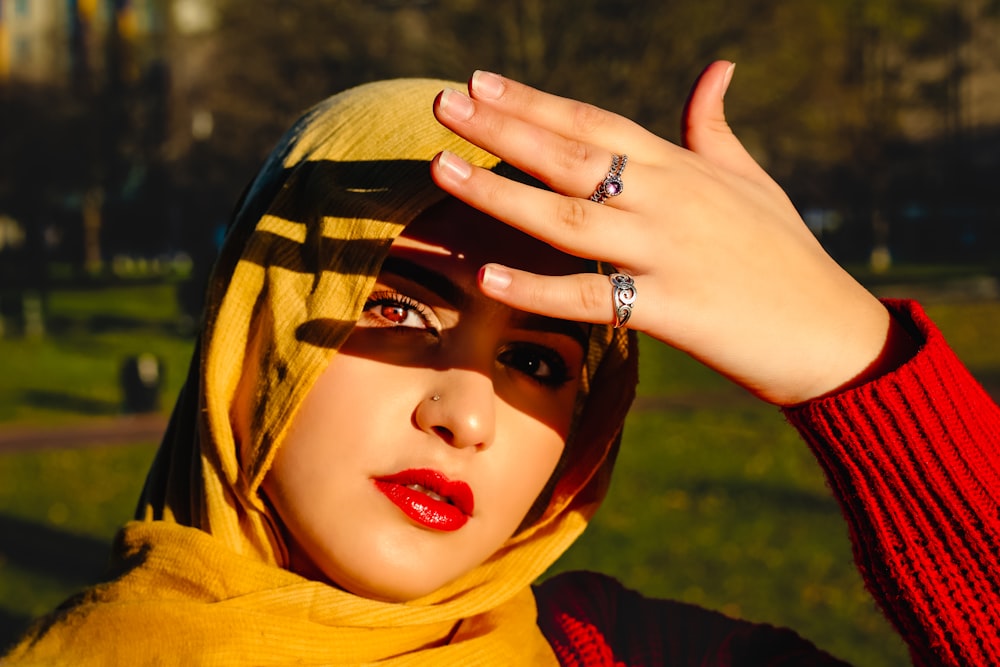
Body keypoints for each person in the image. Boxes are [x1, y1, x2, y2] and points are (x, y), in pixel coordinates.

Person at [4, 63, 998, 666]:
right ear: (253, 328)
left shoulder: (624, 656)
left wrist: (853, 361)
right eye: (393, 307)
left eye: (535, 358)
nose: (466, 415)